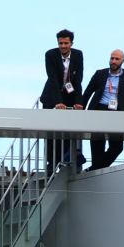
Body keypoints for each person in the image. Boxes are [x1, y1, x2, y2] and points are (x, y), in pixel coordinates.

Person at [80, 50, 124, 169]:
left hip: (117, 112)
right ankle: (95, 172)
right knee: (97, 144)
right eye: (112, 58)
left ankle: (94, 169)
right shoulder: (100, 73)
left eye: (117, 59)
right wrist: (81, 107)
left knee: (117, 147)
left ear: (123, 61)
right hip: (99, 110)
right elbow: (88, 92)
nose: (113, 61)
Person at [41, 30, 86, 175]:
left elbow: (78, 79)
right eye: (60, 43)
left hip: (69, 95)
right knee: (51, 130)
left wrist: (79, 101)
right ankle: (51, 163)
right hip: (52, 96)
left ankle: (62, 159)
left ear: (71, 43)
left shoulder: (78, 55)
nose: (63, 46)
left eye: (66, 43)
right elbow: (52, 78)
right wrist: (57, 102)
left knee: (67, 129)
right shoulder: (50, 54)